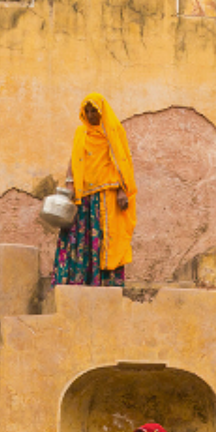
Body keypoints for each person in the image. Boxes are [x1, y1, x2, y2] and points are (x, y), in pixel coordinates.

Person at [54, 93, 136, 287]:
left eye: (94, 111)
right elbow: (74, 160)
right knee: (79, 238)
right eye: (87, 111)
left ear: (102, 112)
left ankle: (105, 283)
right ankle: (78, 281)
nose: (91, 115)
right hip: (82, 195)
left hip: (107, 195)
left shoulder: (113, 132)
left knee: (106, 238)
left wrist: (122, 190)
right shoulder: (81, 133)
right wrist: (69, 184)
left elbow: (122, 161)